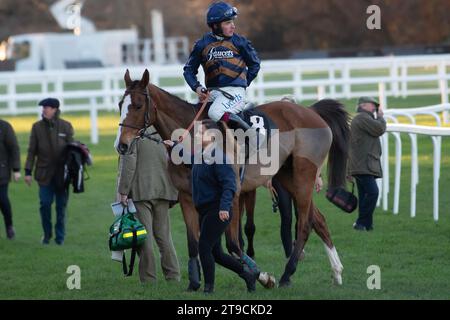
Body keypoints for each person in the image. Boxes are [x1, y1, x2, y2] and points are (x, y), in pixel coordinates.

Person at [163, 119, 257, 294]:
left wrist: (223, 208)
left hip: (218, 210)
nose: (197, 135)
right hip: (205, 210)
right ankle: (248, 275)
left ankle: (208, 289)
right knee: (217, 254)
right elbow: (189, 160)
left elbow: (230, 185)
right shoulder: (202, 154)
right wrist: (174, 147)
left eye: (200, 132)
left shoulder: (220, 158)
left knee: (204, 247)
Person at [116, 126, 181, 283]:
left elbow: (129, 164)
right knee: (164, 236)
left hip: (141, 191)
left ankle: (148, 278)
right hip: (164, 189)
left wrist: (123, 191)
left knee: (144, 236)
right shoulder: (165, 128)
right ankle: (173, 276)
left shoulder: (132, 132)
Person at [183, 1, 261, 131]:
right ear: (215, 26)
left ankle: (251, 134)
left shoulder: (240, 42)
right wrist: (197, 88)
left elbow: (255, 65)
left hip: (235, 92)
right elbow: (188, 71)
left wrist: (241, 84)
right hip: (212, 92)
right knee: (195, 116)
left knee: (214, 113)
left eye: (232, 22)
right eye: (227, 23)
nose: (233, 26)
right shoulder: (202, 44)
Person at [24, 98, 74, 245]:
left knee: (61, 207)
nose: (44, 110)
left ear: (55, 109)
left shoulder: (66, 126)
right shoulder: (36, 127)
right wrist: (27, 172)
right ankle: (46, 235)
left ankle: (60, 238)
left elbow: (72, 150)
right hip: (44, 174)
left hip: (62, 176)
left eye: (47, 107)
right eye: (43, 107)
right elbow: (31, 151)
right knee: (45, 204)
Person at [348, 96, 386, 231]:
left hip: (361, 163)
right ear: (363, 106)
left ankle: (366, 225)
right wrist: (381, 117)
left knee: (365, 194)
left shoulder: (363, 118)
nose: (375, 107)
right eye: (373, 105)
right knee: (373, 192)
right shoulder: (362, 118)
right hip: (363, 164)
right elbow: (379, 129)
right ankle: (361, 222)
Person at [0, 118, 21, 239]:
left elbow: (14, 148)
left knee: (2, 199)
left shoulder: (4, 127)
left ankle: (9, 226)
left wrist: (16, 169)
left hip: (2, 171)